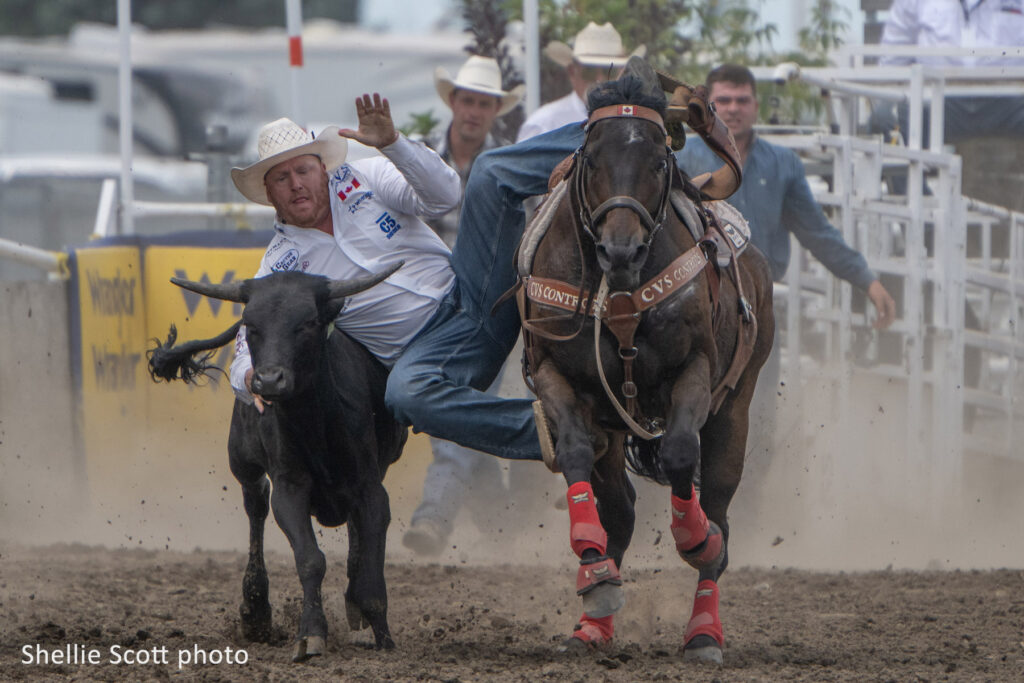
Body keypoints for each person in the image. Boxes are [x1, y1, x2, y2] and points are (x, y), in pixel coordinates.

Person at [676, 64, 897, 457]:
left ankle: (753, 490)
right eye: (723, 100)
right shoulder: (680, 158)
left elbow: (817, 232)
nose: (733, 108)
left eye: (742, 100)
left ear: (756, 106)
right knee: (679, 407)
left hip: (755, 306)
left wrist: (867, 279)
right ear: (707, 107)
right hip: (693, 303)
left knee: (756, 412)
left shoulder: (782, 164)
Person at [228, 94, 461, 409]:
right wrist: (248, 376)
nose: (296, 184)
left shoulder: (367, 175)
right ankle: (527, 429)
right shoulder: (278, 267)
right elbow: (245, 345)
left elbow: (445, 197)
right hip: (421, 351)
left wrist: (393, 143)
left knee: (489, 177)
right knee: (405, 398)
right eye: (282, 178)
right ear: (269, 193)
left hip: (466, 288)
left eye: (303, 170)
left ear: (323, 170)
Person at [403, 56, 525, 556]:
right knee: (466, 413)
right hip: (420, 307)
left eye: (483, 103)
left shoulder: (508, 165)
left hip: (480, 313)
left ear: (495, 110)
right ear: (453, 102)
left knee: (454, 410)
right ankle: (503, 528)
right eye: (468, 100)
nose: (474, 111)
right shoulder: (420, 158)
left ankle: (433, 518)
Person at [874, 0, 1024, 146]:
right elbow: (892, 64)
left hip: (1010, 99)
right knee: (885, 118)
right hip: (936, 99)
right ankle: (914, 164)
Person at [516, 21, 644, 142]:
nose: (600, 79)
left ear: (621, 74)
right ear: (572, 72)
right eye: (590, 71)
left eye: (609, 71)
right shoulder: (544, 125)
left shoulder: (638, 123)